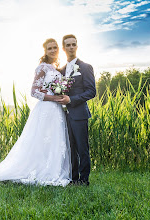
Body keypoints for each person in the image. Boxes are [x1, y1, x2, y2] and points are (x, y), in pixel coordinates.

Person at [0, 38, 72, 187]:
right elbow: (34, 92)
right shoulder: (42, 68)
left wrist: (61, 93)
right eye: (49, 48)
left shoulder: (55, 68)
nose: (53, 50)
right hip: (45, 109)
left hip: (56, 110)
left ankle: (52, 168)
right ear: (45, 51)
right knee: (41, 140)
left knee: (53, 139)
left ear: (58, 49)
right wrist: (53, 97)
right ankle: (38, 170)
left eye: (55, 48)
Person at [57, 34, 96, 186]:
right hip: (63, 115)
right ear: (64, 48)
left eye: (74, 44)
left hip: (79, 114)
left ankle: (84, 179)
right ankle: (73, 178)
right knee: (70, 147)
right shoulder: (60, 70)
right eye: (68, 45)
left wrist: (71, 100)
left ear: (77, 47)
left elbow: (91, 91)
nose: (71, 47)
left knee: (82, 147)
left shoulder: (85, 67)